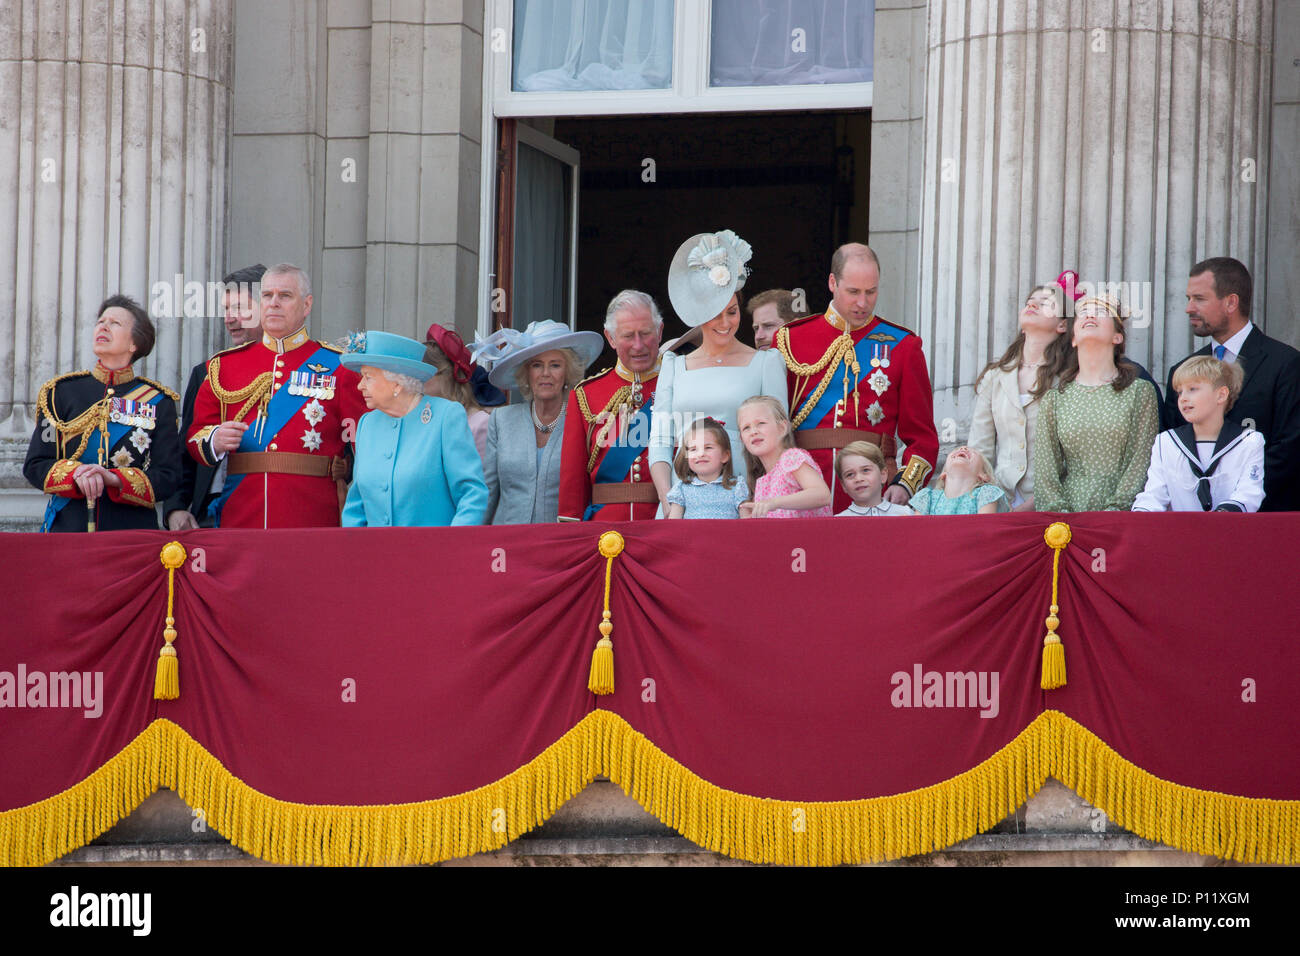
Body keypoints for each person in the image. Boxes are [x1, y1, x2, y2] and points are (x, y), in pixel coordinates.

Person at [187, 263, 368, 528]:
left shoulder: (340, 367)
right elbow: (195, 436)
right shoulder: (223, 367)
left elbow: (367, 444)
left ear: (306, 305)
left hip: (313, 515)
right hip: (241, 513)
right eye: (267, 296)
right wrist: (215, 439)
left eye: (285, 296)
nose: (273, 303)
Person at [776, 243, 939, 512]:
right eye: (853, 292)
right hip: (801, 484)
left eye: (871, 292)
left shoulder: (903, 345)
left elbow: (922, 437)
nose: (863, 303)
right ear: (832, 282)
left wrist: (905, 484)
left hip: (873, 487)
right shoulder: (790, 339)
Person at [651, 230, 788, 513]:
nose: (725, 322)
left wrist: (765, 502)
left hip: (748, 500)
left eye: (732, 311)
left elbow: (779, 443)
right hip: (683, 502)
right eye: (715, 313)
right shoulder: (673, 366)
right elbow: (661, 443)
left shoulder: (766, 362)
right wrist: (669, 504)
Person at [24, 295, 180, 532]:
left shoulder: (158, 402)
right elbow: (36, 465)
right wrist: (77, 474)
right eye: (101, 321)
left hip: (130, 533)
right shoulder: (59, 393)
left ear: (134, 344)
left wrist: (115, 479)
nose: (103, 326)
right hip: (69, 529)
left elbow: (168, 477)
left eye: (115, 323)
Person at [1163, 256, 1300, 511]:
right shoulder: (1182, 370)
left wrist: (1235, 495)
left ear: (1231, 302)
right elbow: (1174, 446)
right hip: (1194, 520)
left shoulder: (1286, 364)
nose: (1188, 308)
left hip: (1266, 519)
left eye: (1199, 299)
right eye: (1188, 299)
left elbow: (1291, 447)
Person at [338, 331, 487, 526]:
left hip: (433, 553)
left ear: (397, 383)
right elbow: (356, 506)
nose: (360, 386)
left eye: (368, 377)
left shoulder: (445, 417)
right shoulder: (368, 424)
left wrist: (451, 547)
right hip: (375, 554)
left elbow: (472, 495)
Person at [1034, 295, 1160, 512]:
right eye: (1083, 313)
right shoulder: (1055, 399)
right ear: (1073, 339)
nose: (1090, 315)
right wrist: (1061, 518)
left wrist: (1115, 512)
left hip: (1122, 517)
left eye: (1101, 312)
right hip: (1066, 520)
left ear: (1117, 337)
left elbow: (1140, 461)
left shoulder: (1140, 391)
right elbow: (1046, 472)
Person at [471, 319, 603, 524]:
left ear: (568, 372)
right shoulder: (501, 420)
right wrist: (474, 541)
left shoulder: (584, 421)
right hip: (507, 545)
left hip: (560, 544)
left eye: (555, 365)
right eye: (537, 365)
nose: (545, 374)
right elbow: (488, 491)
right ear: (526, 373)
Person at [165, 264, 266, 531]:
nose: (229, 318)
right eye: (226, 309)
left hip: (270, 507)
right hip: (211, 512)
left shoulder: (305, 370)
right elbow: (185, 448)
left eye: (240, 308)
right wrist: (175, 507)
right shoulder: (208, 372)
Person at [968, 273, 1075, 511]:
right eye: (1030, 300)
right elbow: (980, 450)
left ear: (1062, 324)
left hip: (1052, 504)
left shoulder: (1070, 378)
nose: (1032, 304)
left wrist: (1035, 504)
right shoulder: (994, 377)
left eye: (1046, 303)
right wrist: (987, 503)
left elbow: (1075, 457)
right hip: (998, 502)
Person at [557, 290, 665, 521]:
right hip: (605, 530)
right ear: (611, 338)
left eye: (646, 334)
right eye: (628, 336)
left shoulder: (678, 384)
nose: (638, 345)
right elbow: (572, 479)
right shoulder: (586, 394)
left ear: (660, 332)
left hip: (666, 522)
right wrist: (571, 532)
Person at [1134, 356, 1265, 512]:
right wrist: (1143, 511)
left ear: (1221, 395)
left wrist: (1225, 514)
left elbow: (1249, 493)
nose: (1183, 398)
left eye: (1192, 389)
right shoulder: (1166, 442)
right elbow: (1155, 494)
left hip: (1229, 531)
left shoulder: (1249, 441)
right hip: (1180, 533)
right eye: (1180, 392)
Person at [736, 395, 832, 518]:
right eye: (746, 428)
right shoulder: (761, 483)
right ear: (742, 439)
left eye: (761, 423)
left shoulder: (792, 458)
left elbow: (822, 495)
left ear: (782, 428)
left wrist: (774, 503)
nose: (753, 431)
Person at [423, 324, 501, 466]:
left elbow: (484, 481)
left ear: (446, 375)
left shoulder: (480, 423)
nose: (418, 382)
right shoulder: (426, 417)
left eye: (425, 375)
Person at [664, 417, 748, 519]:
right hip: (692, 535)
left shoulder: (737, 486)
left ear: (725, 455)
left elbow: (747, 524)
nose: (700, 454)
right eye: (693, 449)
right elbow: (673, 526)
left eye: (708, 448)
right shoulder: (681, 489)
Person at [909, 447, 1007, 515]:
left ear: (984, 476)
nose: (963, 449)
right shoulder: (927, 498)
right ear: (943, 473)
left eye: (973, 451)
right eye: (956, 450)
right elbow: (920, 533)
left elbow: (985, 530)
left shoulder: (987, 493)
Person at [835, 441, 913, 517]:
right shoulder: (837, 523)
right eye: (850, 474)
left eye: (865, 470)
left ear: (883, 475)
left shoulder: (906, 514)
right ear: (843, 485)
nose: (858, 479)